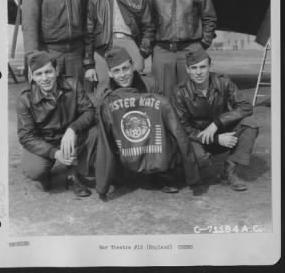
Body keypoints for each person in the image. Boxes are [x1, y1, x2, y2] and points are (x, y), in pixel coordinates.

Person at [95, 46, 203, 200]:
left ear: (133, 66)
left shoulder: (149, 83)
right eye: (117, 71)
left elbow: (166, 117)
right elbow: (103, 130)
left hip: (151, 140)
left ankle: (162, 173)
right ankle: (118, 173)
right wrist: (102, 186)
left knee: (198, 155)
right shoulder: (104, 92)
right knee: (97, 137)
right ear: (110, 73)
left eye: (125, 68)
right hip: (123, 144)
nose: (123, 75)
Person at [171, 48, 259, 191]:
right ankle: (187, 171)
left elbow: (246, 106)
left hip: (222, 131)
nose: (198, 72)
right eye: (194, 68)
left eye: (203, 67)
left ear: (210, 67)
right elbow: (183, 128)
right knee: (198, 161)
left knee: (250, 124)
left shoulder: (223, 82)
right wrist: (216, 139)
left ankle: (229, 172)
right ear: (187, 69)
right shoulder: (179, 92)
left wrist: (217, 123)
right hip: (197, 139)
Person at [17, 51, 96, 197]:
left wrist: (73, 129)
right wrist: (54, 153)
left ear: (57, 71)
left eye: (48, 72)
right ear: (32, 76)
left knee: (95, 133)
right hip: (45, 142)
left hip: (71, 138)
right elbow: (26, 136)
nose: (45, 78)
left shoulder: (72, 85)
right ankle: (46, 171)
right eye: (39, 74)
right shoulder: (25, 99)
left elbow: (90, 111)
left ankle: (74, 174)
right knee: (34, 170)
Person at [147, 0, 217, 97]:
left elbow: (209, 18)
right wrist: (151, 47)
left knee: (191, 95)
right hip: (163, 51)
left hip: (190, 49)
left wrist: (202, 44)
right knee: (163, 96)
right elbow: (148, 24)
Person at [84, 0, 154, 94]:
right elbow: (89, 34)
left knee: (135, 88)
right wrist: (89, 64)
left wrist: (142, 53)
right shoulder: (95, 0)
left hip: (130, 45)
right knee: (104, 89)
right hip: (103, 48)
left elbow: (148, 27)